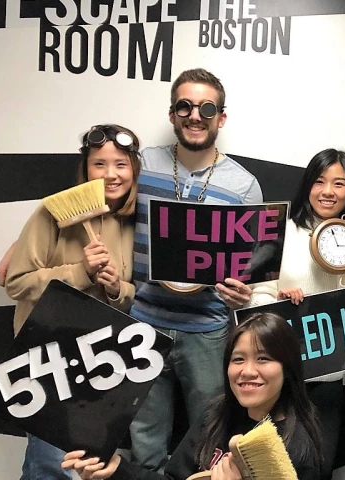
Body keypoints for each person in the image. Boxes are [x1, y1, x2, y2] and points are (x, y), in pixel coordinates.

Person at [128, 68, 264, 472]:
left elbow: (250, 265)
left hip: (207, 330)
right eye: (185, 106)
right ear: (172, 113)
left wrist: (242, 294)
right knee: (143, 444)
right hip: (143, 323)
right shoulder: (141, 164)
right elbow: (99, 203)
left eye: (206, 108)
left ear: (221, 117)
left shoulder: (244, 186)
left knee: (208, 441)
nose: (195, 116)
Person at [5, 124, 141, 480]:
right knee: (51, 464)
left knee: (79, 467)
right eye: (99, 164)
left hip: (101, 361)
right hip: (48, 356)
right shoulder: (53, 213)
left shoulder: (137, 223)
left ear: (134, 169)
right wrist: (81, 271)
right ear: (86, 168)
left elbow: (133, 298)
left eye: (121, 164)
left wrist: (117, 288)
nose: (111, 174)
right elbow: (16, 282)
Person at [62, 312, 323, 480]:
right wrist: (117, 469)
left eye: (263, 359)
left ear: (287, 368)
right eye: (238, 359)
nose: (247, 371)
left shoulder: (300, 448)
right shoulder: (215, 415)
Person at [244, 148, 345, 479]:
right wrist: (277, 301)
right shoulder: (280, 230)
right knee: (268, 465)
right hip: (280, 371)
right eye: (319, 181)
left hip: (327, 374)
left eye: (339, 183)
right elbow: (255, 294)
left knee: (318, 464)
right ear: (307, 186)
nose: (328, 191)